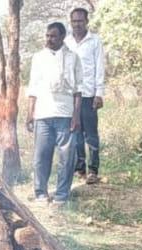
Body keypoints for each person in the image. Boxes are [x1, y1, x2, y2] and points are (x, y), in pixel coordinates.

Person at [26, 22, 83, 204]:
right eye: (47, 36)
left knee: (67, 157)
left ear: (62, 37)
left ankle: (61, 195)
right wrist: (30, 113)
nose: (49, 39)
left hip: (65, 114)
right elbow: (33, 87)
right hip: (43, 114)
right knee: (41, 156)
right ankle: (41, 193)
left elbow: (78, 90)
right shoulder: (38, 58)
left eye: (53, 36)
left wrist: (76, 116)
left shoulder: (73, 58)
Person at [65, 8, 105, 184]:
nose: (77, 24)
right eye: (74, 21)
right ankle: (79, 169)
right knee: (76, 133)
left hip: (89, 94)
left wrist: (99, 93)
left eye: (80, 21)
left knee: (91, 135)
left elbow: (99, 68)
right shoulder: (66, 42)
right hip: (71, 96)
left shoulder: (94, 41)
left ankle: (93, 171)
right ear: (70, 22)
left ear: (87, 21)